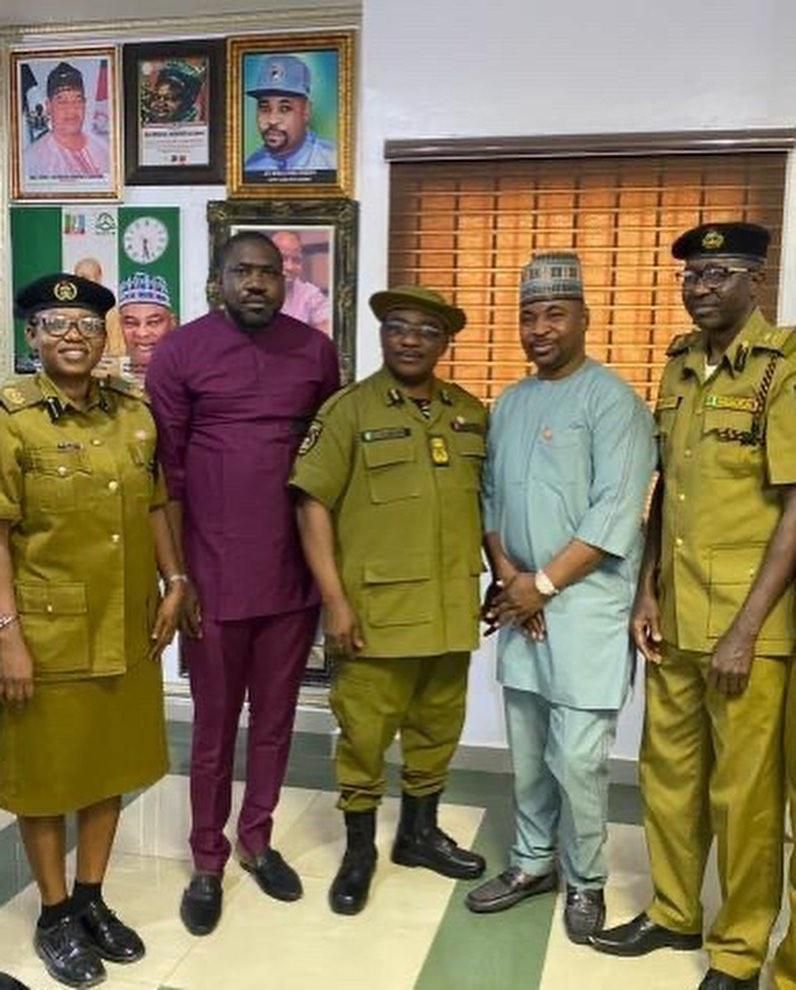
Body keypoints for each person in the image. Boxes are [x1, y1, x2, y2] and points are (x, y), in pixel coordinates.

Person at [590, 222, 796, 990]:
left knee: (744, 798)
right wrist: (646, 589)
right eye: (692, 276)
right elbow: (666, 498)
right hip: (675, 613)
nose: (701, 288)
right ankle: (675, 912)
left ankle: (739, 952)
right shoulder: (679, 367)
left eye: (719, 274)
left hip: (750, 624)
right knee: (668, 776)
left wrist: (746, 629)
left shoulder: (785, 369)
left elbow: (794, 508)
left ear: (755, 282)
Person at [145, 231, 340, 936]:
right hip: (212, 575)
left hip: (291, 575)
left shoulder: (314, 352)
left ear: (285, 280)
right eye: (241, 272)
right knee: (213, 727)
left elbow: (327, 456)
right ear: (217, 279)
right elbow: (161, 476)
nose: (255, 283)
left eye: (268, 272)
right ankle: (207, 857)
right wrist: (178, 577)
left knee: (278, 720)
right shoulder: (180, 352)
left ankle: (258, 840)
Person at [463, 253, 655, 942]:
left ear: (583, 318)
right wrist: (511, 578)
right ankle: (531, 862)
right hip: (524, 611)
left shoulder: (615, 403)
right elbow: (489, 500)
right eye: (528, 316)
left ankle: (587, 879)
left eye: (554, 314)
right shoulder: (511, 403)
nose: (539, 329)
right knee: (529, 745)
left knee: (578, 758)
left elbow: (614, 513)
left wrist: (539, 588)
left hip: (583, 612)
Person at [0, 273, 183, 988]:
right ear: (32, 337)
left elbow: (156, 505)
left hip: (125, 619)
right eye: (55, 324)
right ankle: (52, 915)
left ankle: (90, 899)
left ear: (105, 337)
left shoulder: (132, 413)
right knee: (47, 780)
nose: (72, 337)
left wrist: (178, 580)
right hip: (45, 631)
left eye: (85, 326)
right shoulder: (13, 418)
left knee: (108, 768)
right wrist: (7, 634)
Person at [290, 285, 487, 917]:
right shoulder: (348, 410)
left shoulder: (469, 412)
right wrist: (335, 602)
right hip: (373, 616)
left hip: (450, 608)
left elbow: (488, 506)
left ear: (444, 343)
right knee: (365, 739)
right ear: (382, 335)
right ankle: (359, 852)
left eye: (425, 331)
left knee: (437, 730)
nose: (409, 339)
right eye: (397, 327)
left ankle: (418, 834)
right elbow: (311, 502)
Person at [244, 54, 336, 174]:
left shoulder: (332, 161)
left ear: (306, 111)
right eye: (264, 108)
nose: (272, 120)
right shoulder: (250, 167)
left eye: (284, 109)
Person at [23, 62, 109, 179]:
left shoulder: (105, 148)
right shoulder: (31, 160)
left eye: (77, 100)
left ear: (85, 103)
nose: (71, 109)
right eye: (62, 101)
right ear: (48, 106)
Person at [118, 272, 177, 382]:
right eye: (131, 323)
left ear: (172, 323)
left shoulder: (191, 380)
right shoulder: (106, 382)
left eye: (153, 322)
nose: (142, 333)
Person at [272, 230, 331, 334]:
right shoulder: (253, 291)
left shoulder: (309, 294)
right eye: (283, 259)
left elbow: (327, 330)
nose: (290, 267)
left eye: (296, 260)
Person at [73, 258, 125, 359]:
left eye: (86, 278)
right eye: (78, 279)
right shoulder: (71, 312)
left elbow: (118, 352)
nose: (81, 283)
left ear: (99, 279)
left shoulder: (111, 313)